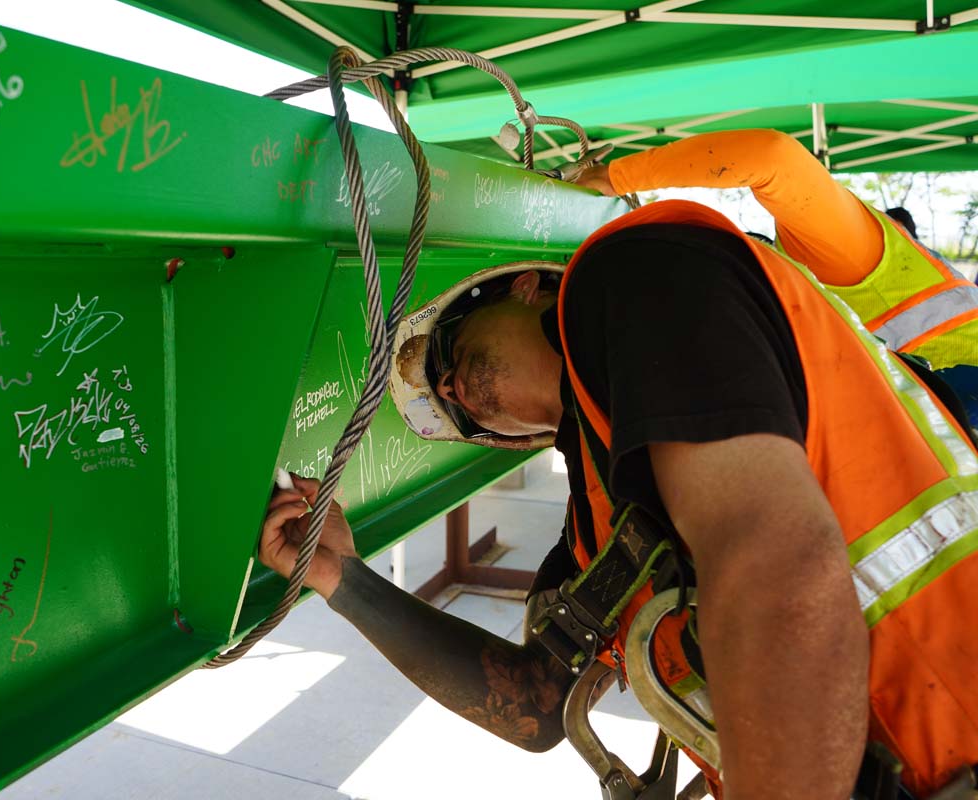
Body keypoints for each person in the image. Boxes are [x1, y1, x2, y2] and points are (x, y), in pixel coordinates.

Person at [262, 196, 978, 799]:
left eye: (448, 353)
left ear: (522, 288)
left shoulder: (639, 273)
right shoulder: (599, 529)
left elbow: (777, 570)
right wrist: (342, 579)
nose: (449, 389)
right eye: (460, 417)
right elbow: (535, 708)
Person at [570, 129, 978, 426]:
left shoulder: (865, 270)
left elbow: (774, 157)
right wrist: (613, 180)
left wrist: (613, 179)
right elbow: (774, 157)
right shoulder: (862, 264)